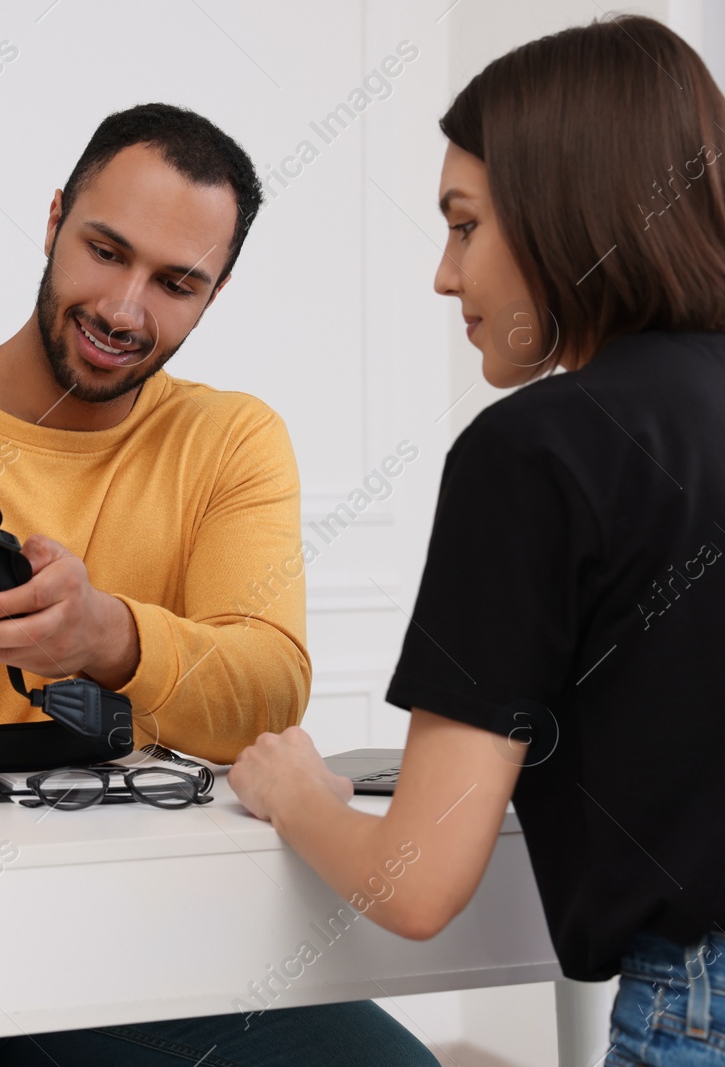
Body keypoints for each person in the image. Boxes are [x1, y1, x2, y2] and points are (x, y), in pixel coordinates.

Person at [0, 103, 435, 1066]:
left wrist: (107, 637)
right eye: (105, 251)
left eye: (176, 282)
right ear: (55, 217)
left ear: (216, 293)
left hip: (130, 939)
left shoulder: (229, 441)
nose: (123, 309)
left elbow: (268, 692)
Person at [228, 16, 725, 1067]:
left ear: (561, 216)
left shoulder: (535, 450)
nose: (443, 277)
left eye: (463, 225)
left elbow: (415, 882)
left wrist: (296, 791)